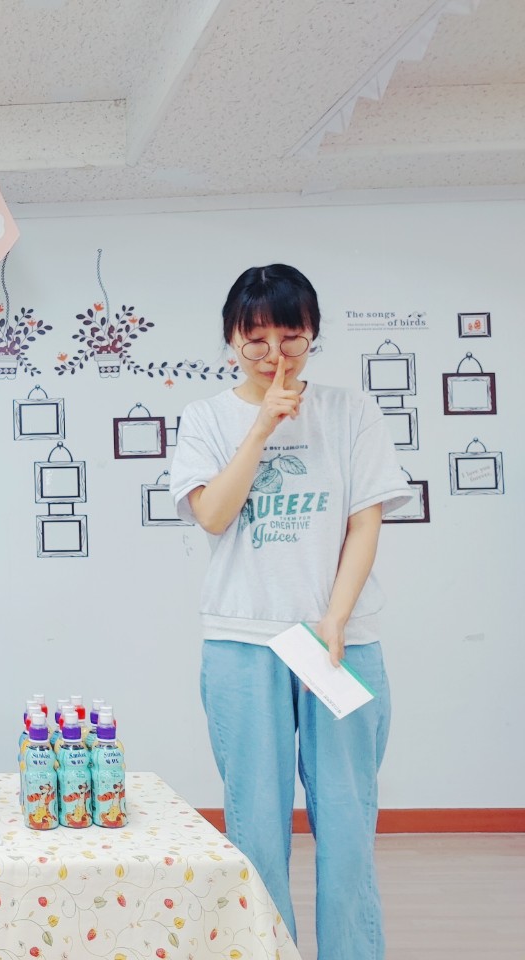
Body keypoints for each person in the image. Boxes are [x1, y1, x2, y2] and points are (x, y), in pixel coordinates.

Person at [169, 264, 411, 960]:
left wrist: (335, 618)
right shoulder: (206, 419)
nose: (275, 353)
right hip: (242, 641)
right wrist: (261, 427)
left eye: (292, 336)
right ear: (231, 340)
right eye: (256, 339)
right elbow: (213, 515)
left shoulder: (351, 412)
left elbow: (364, 523)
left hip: (341, 640)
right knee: (256, 829)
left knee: (347, 823)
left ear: (313, 334)